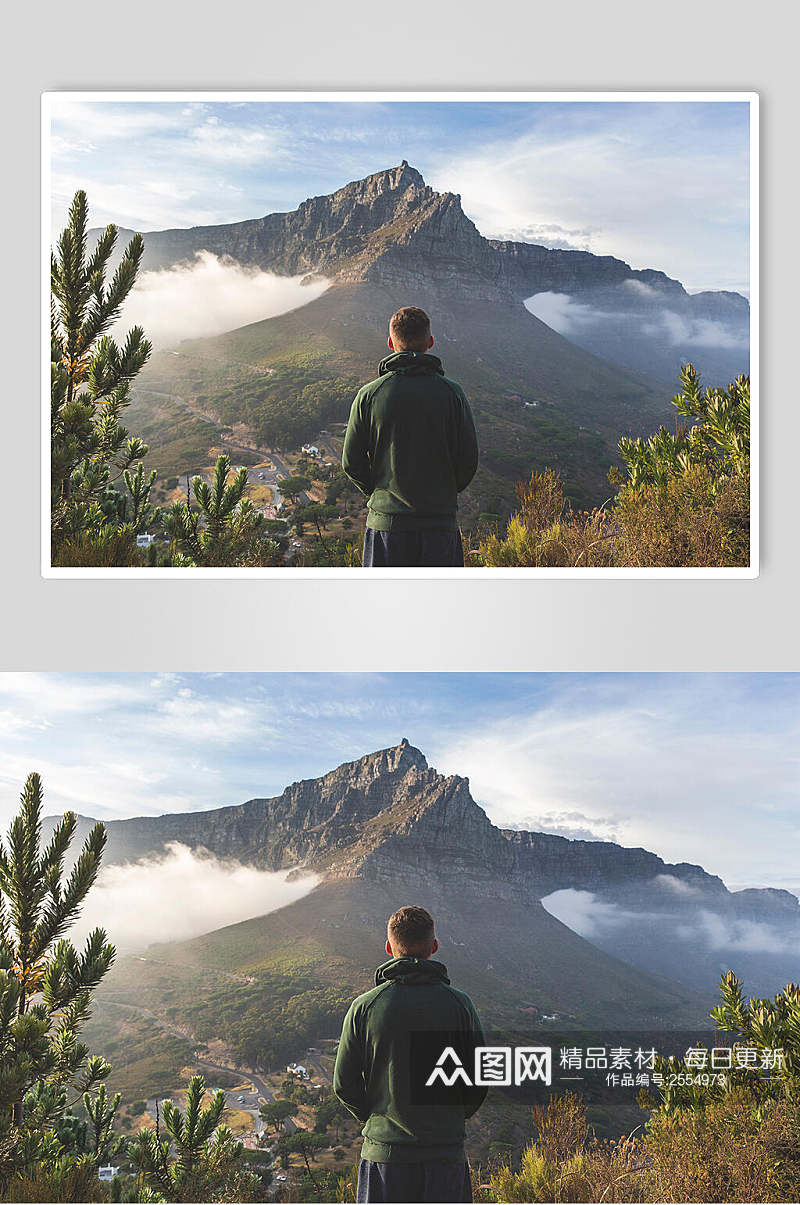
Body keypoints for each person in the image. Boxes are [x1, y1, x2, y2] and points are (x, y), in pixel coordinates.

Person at [333, 905, 486, 1204]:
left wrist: (376, 1123)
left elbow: (344, 1084)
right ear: (435, 947)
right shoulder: (460, 1005)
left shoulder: (365, 1007)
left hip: (385, 1160)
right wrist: (452, 1118)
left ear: (389, 947)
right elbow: (480, 1078)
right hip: (446, 1159)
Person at [342, 307, 479, 567]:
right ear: (430, 342)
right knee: (442, 607)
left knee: (385, 606)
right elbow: (469, 460)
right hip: (440, 527)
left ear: (391, 343)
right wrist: (444, 492)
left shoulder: (369, 395)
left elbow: (351, 462)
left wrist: (380, 494)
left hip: (386, 529)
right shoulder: (452, 394)